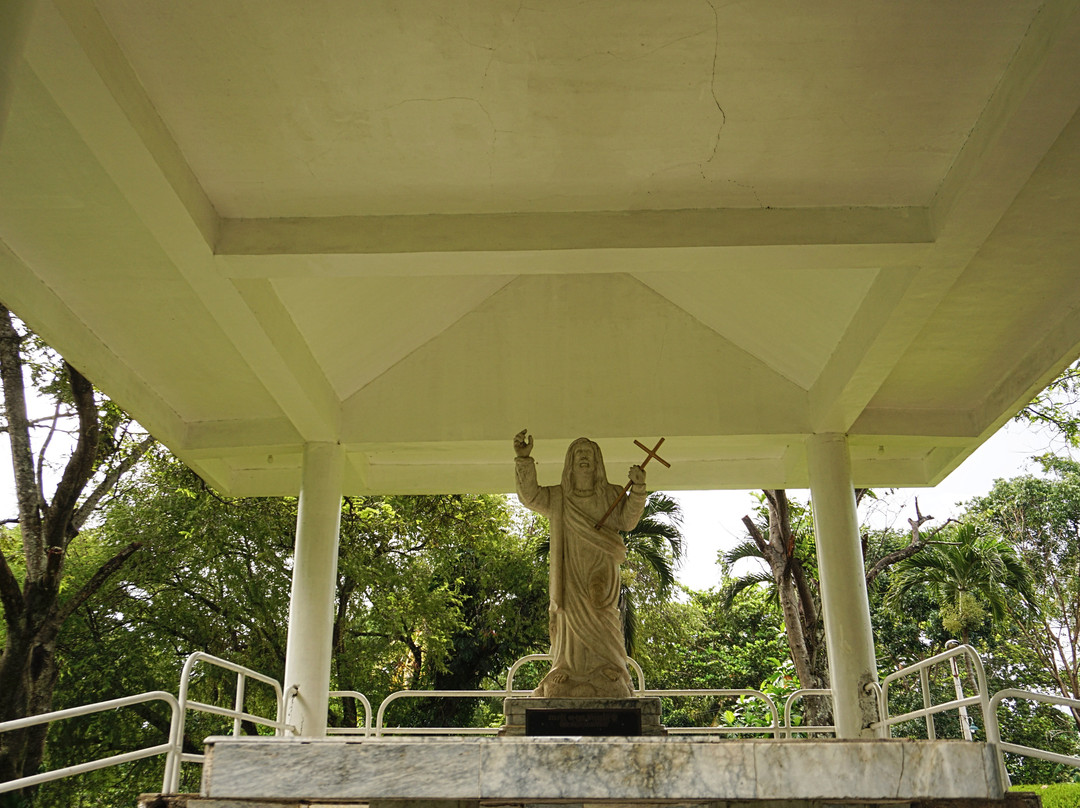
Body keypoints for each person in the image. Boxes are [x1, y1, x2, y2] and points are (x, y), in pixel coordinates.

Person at [514, 430, 646, 698]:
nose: (584, 458)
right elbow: (530, 497)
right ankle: (566, 669)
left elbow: (627, 521)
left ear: (597, 462)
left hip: (602, 572)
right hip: (570, 573)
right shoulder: (559, 497)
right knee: (569, 622)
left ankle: (610, 668)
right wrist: (523, 460)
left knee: (604, 616)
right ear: (570, 464)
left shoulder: (612, 494)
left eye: (589, 454)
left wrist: (639, 489)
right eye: (578, 455)